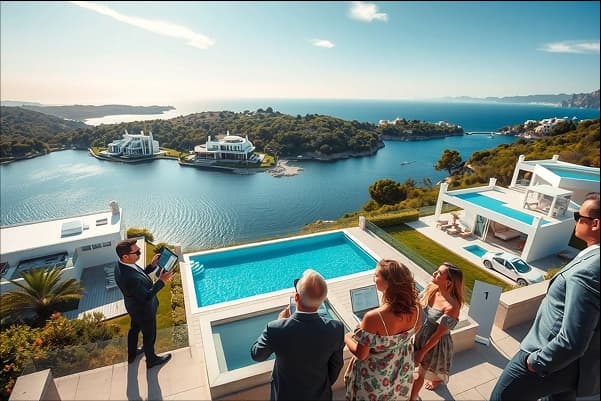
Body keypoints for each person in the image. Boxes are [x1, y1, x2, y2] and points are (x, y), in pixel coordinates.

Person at [490, 192, 600, 401]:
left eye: (579, 216)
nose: (575, 220)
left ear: (595, 224)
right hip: (577, 370)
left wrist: (536, 362)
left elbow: (573, 340)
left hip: (548, 358)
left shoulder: (589, 269)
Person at [250, 269, 344, 401]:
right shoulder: (336, 329)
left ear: (296, 298)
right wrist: (321, 385)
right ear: (322, 300)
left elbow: (257, 354)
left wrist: (280, 321)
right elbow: (336, 365)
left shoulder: (276, 329)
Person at [344, 259, 422, 401]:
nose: (374, 279)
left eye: (376, 275)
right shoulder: (416, 307)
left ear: (388, 283)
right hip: (402, 368)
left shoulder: (373, 317)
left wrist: (347, 337)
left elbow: (362, 355)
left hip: (377, 376)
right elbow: (414, 330)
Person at [114, 239, 175, 369]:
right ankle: (151, 360)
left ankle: (132, 354)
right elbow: (146, 296)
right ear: (125, 256)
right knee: (149, 336)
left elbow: (140, 275)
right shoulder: (128, 277)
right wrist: (161, 281)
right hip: (143, 311)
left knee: (134, 330)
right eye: (137, 252)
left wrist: (152, 265)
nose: (140, 253)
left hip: (133, 307)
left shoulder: (122, 265)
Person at [410, 262, 464, 401]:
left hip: (434, 343)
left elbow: (437, 336)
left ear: (449, 282)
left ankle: (412, 398)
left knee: (421, 372)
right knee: (421, 368)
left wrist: (421, 353)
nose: (434, 273)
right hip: (420, 335)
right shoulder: (432, 288)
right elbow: (418, 306)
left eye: (439, 273)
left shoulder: (452, 307)